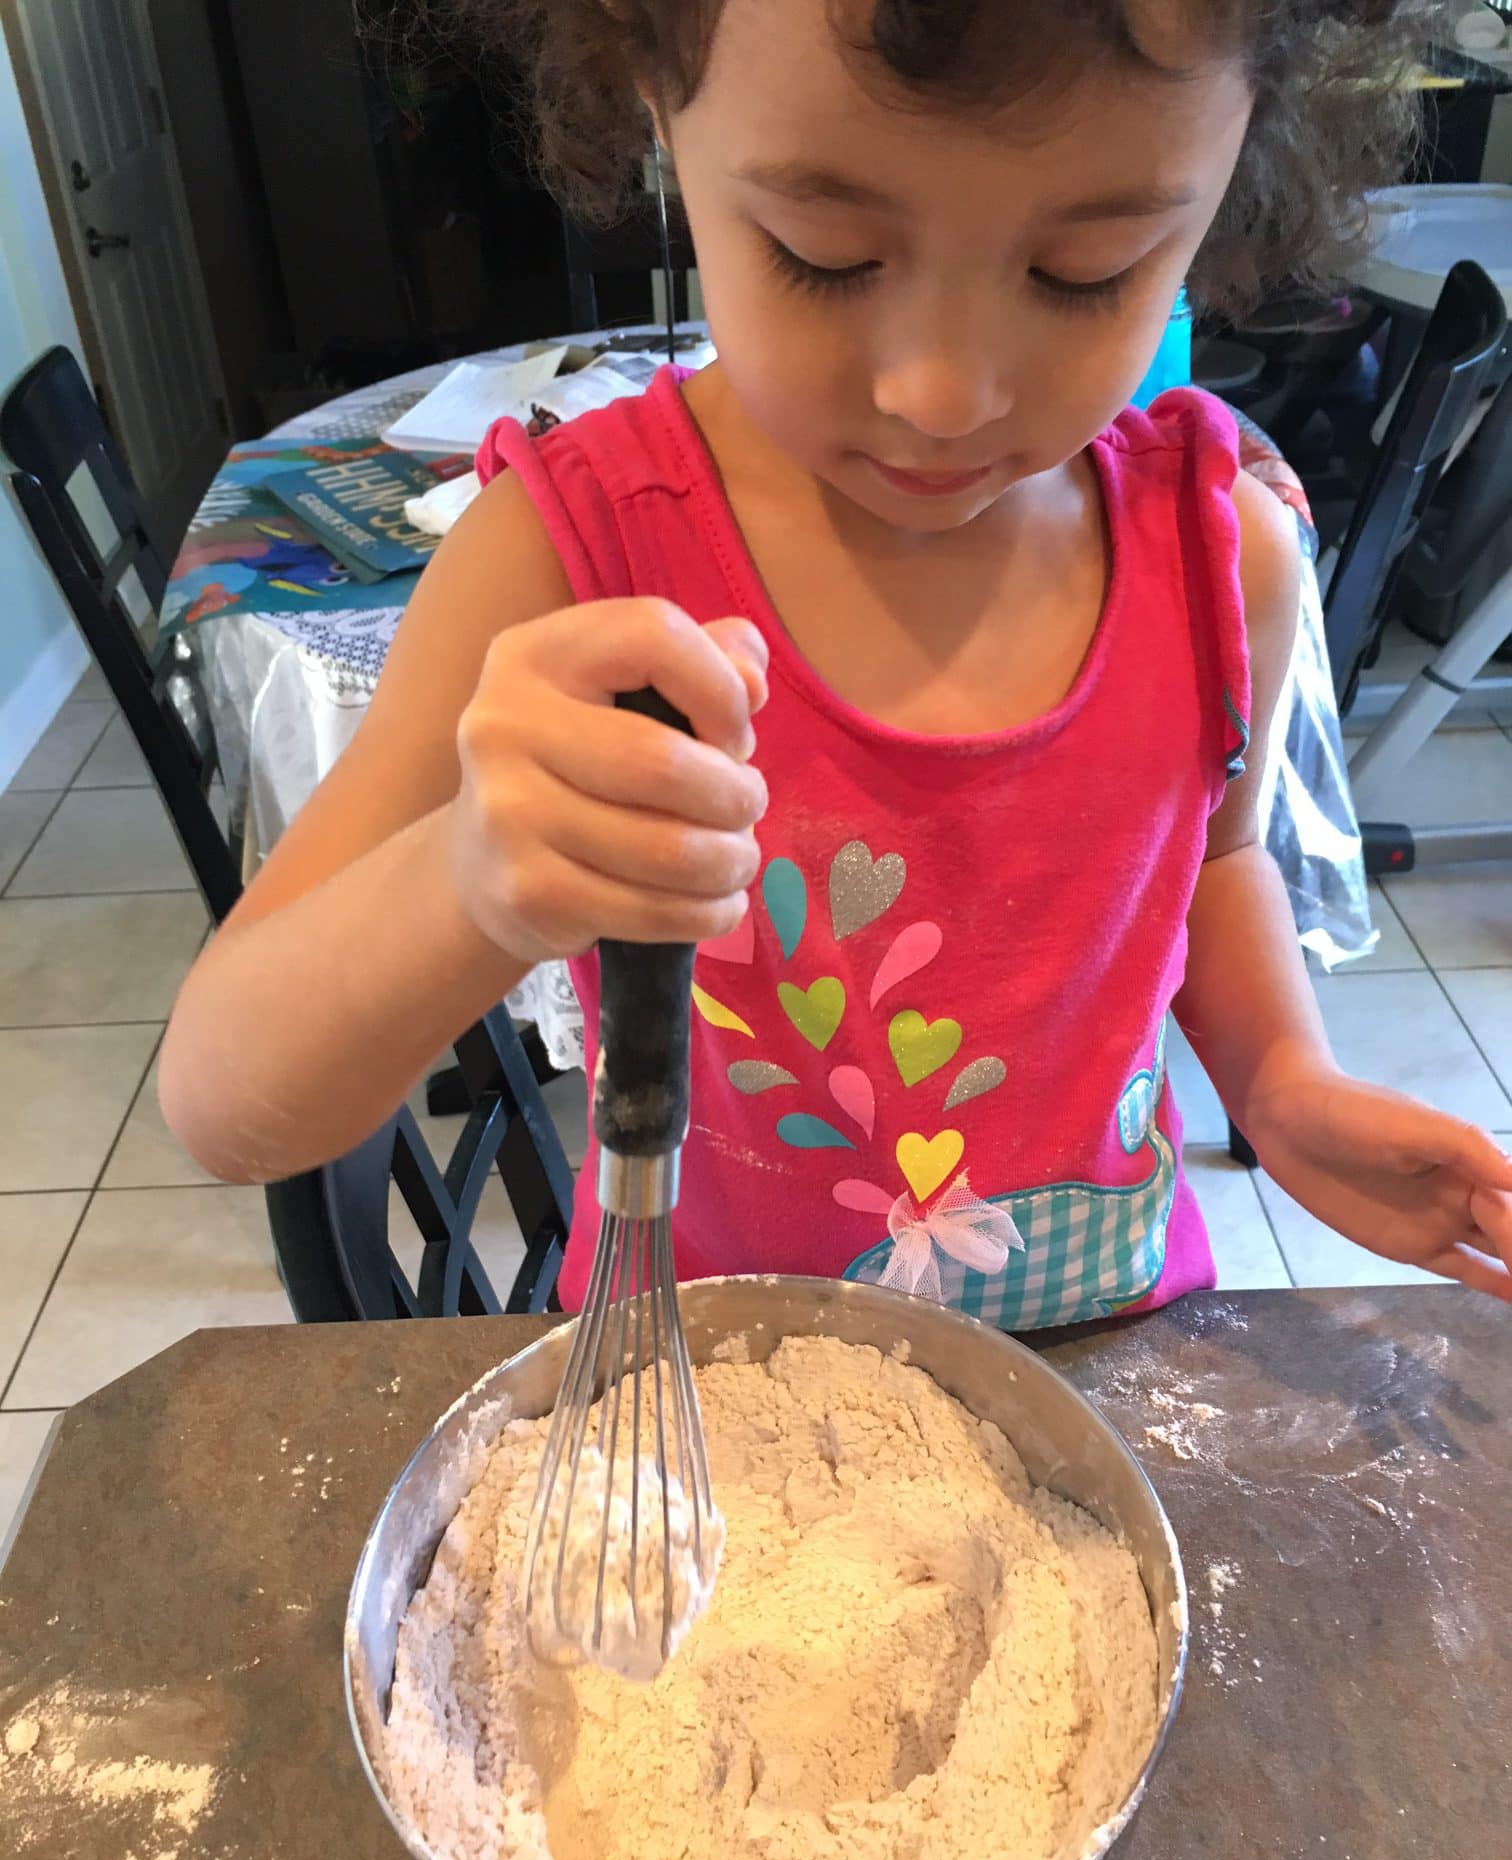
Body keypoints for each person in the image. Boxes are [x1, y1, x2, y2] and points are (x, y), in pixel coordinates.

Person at [159, 0, 1512, 1317]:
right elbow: (226, 1102)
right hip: (710, 1403)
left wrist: (1283, 1081)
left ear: (1238, 157)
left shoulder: (1223, 562)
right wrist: (467, 887)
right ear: (654, 102)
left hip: (1105, 1359)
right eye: (826, 251)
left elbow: (1212, 860)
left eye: (1083, 272)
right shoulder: (562, 560)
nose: (944, 392)